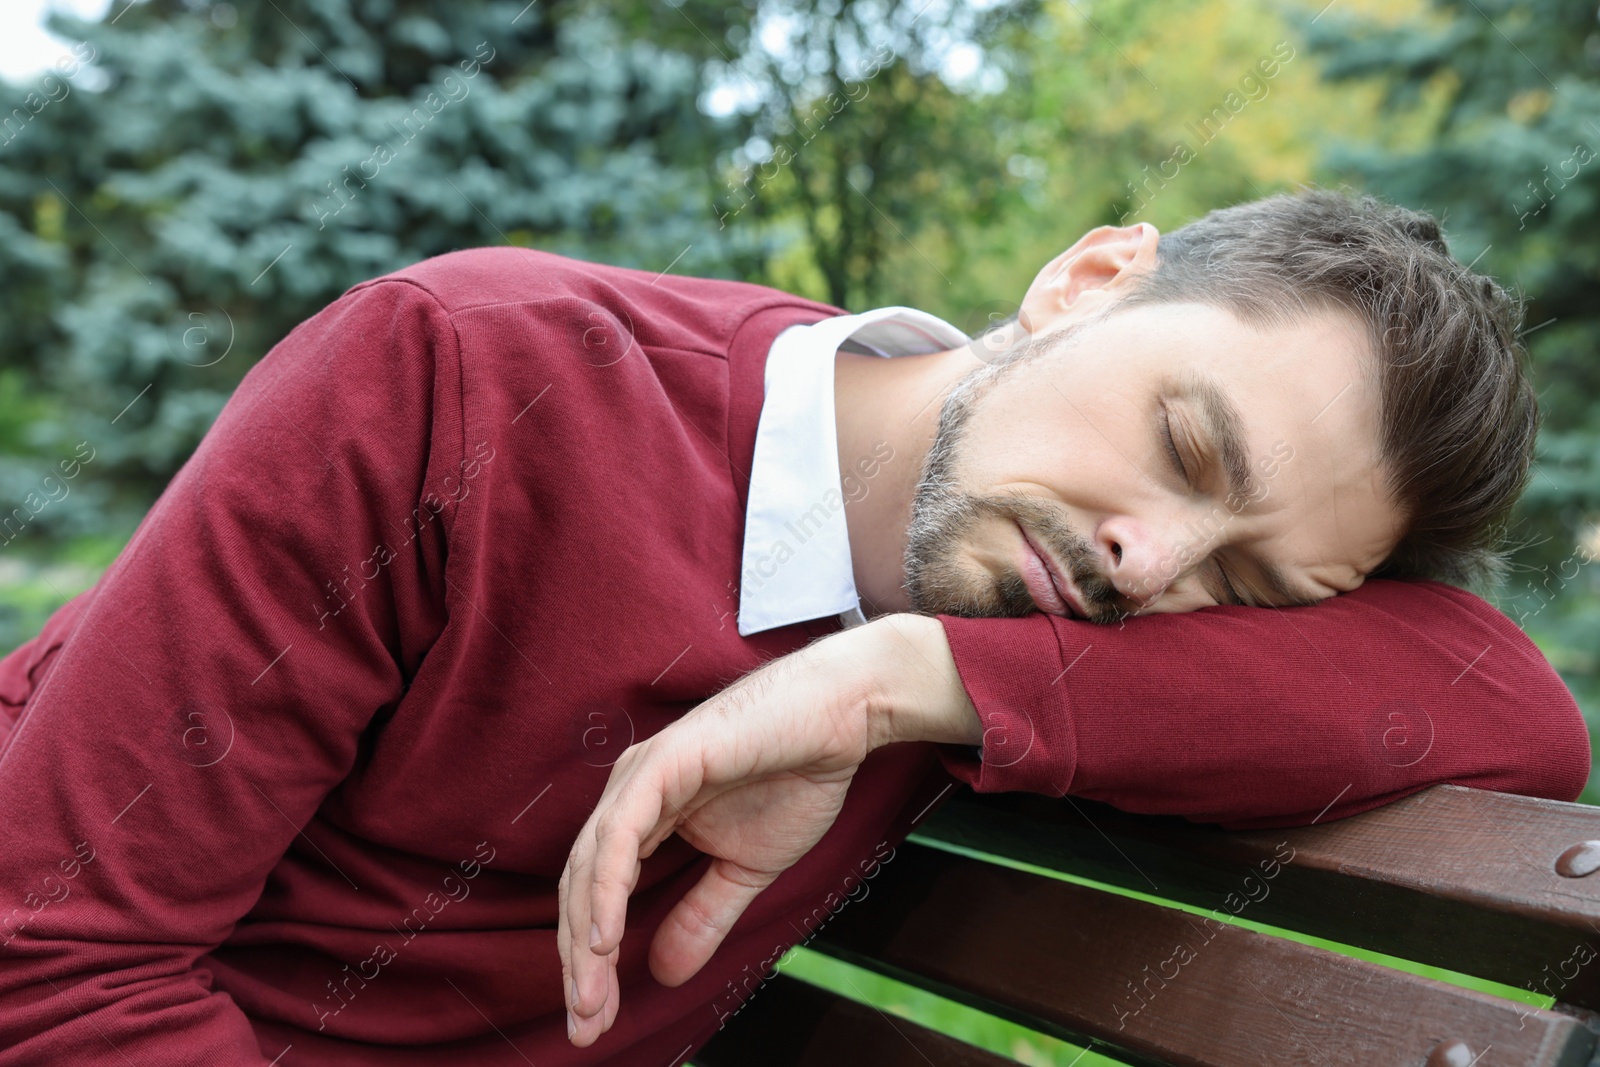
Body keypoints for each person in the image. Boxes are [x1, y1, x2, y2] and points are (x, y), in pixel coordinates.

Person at [0, 189, 1586, 1065]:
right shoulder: (466, 377)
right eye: (1183, 449)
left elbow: (1513, 709)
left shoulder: (1035, 638)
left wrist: (900, 681)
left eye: (1244, 584)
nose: (1148, 566)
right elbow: (54, 971)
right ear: (1088, 279)